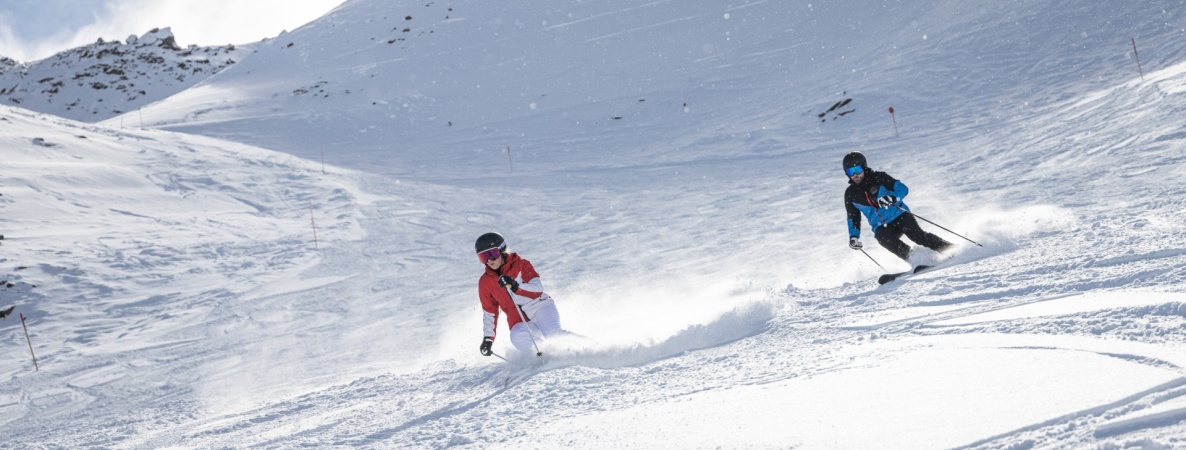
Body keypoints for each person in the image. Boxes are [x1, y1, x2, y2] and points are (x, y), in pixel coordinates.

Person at [842, 151, 952, 262]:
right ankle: (916, 259)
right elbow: (853, 217)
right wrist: (854, 236)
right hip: (882, 225)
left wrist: (892, 198)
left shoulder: (879, 178)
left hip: (900, 215)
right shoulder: (850, 194)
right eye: (851, 171)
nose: (855, 175)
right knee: (882, 238)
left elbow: (903, 188)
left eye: (858, 170)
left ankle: (949, 249)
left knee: (917, 236)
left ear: (864, 167)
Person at [474, 232, 568, 357]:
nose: (489, 260)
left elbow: (538, 288)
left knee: (554, 334)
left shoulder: (521, 265)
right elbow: (490, 313)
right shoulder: (485, 282)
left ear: (502, 250)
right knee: (517, 336)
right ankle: (547, 356)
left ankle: (591, 348)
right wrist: (488, 339)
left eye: (492, 254)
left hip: (541, 308)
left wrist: (515, 286)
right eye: (483, 257)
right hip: (519, 321)